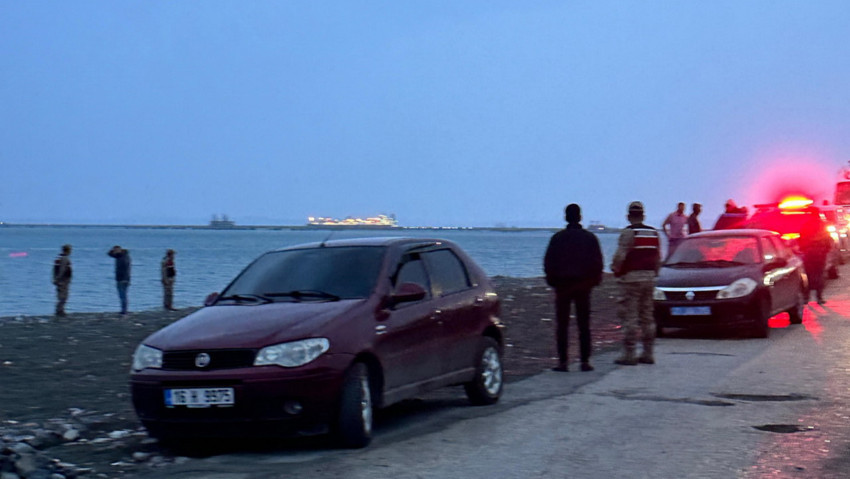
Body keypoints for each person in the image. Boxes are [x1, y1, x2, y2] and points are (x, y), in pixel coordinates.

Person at [543, 204, 604, 372]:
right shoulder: (589, 238)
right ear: (580, 217)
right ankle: (585, 361)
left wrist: (552, 281)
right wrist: (593, 281)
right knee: (584, 325)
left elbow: (549, 262)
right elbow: (597, 262)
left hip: (562, 285)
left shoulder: (558, 238)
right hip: (583, 286)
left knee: (562, 325)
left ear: (566, 217)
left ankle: (563, 362)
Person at [611, 201, 661, 365]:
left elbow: (620, 256)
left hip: (631, 279)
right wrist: (654, 274)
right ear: (643, 216)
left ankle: (630, 354)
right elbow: (658, 257)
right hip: (649, 278)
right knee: (647, 317)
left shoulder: (628, 233)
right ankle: (648, 353)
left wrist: (616, 270)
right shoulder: (653, 233)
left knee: (630, 316)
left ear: (628, 216)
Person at [798, 209, 832, 304]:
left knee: (808, 275)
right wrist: (826, 250)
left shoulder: (806, 225)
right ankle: (819, 297)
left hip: (809, 254)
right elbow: (828, 239)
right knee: (819, 275)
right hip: (820, 254)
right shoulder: (822, 225)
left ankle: (806, 297)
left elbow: (801, 239)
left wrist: (803, 249)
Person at [108, 245, 131, 314]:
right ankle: (124, 310)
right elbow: (109, 254)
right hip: (121, 278)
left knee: (123, 295)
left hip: (123, 279)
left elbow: (125, 268)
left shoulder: (123, 257)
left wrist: (124, 278)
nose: (115, 252)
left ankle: (124, 310)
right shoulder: (121, 256)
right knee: (122, 295)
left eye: (116, 250)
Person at [52, 244, 73, 316]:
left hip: (60, 280)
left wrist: (55, 278)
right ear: (68, 250)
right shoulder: (64, 259)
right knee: (63, 296)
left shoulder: (59, 258)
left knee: (60, 295)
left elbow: (54, 270)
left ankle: (59, 310)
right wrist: (58, 279)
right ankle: (60, 310)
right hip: (63, 280)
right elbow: (62, 270)